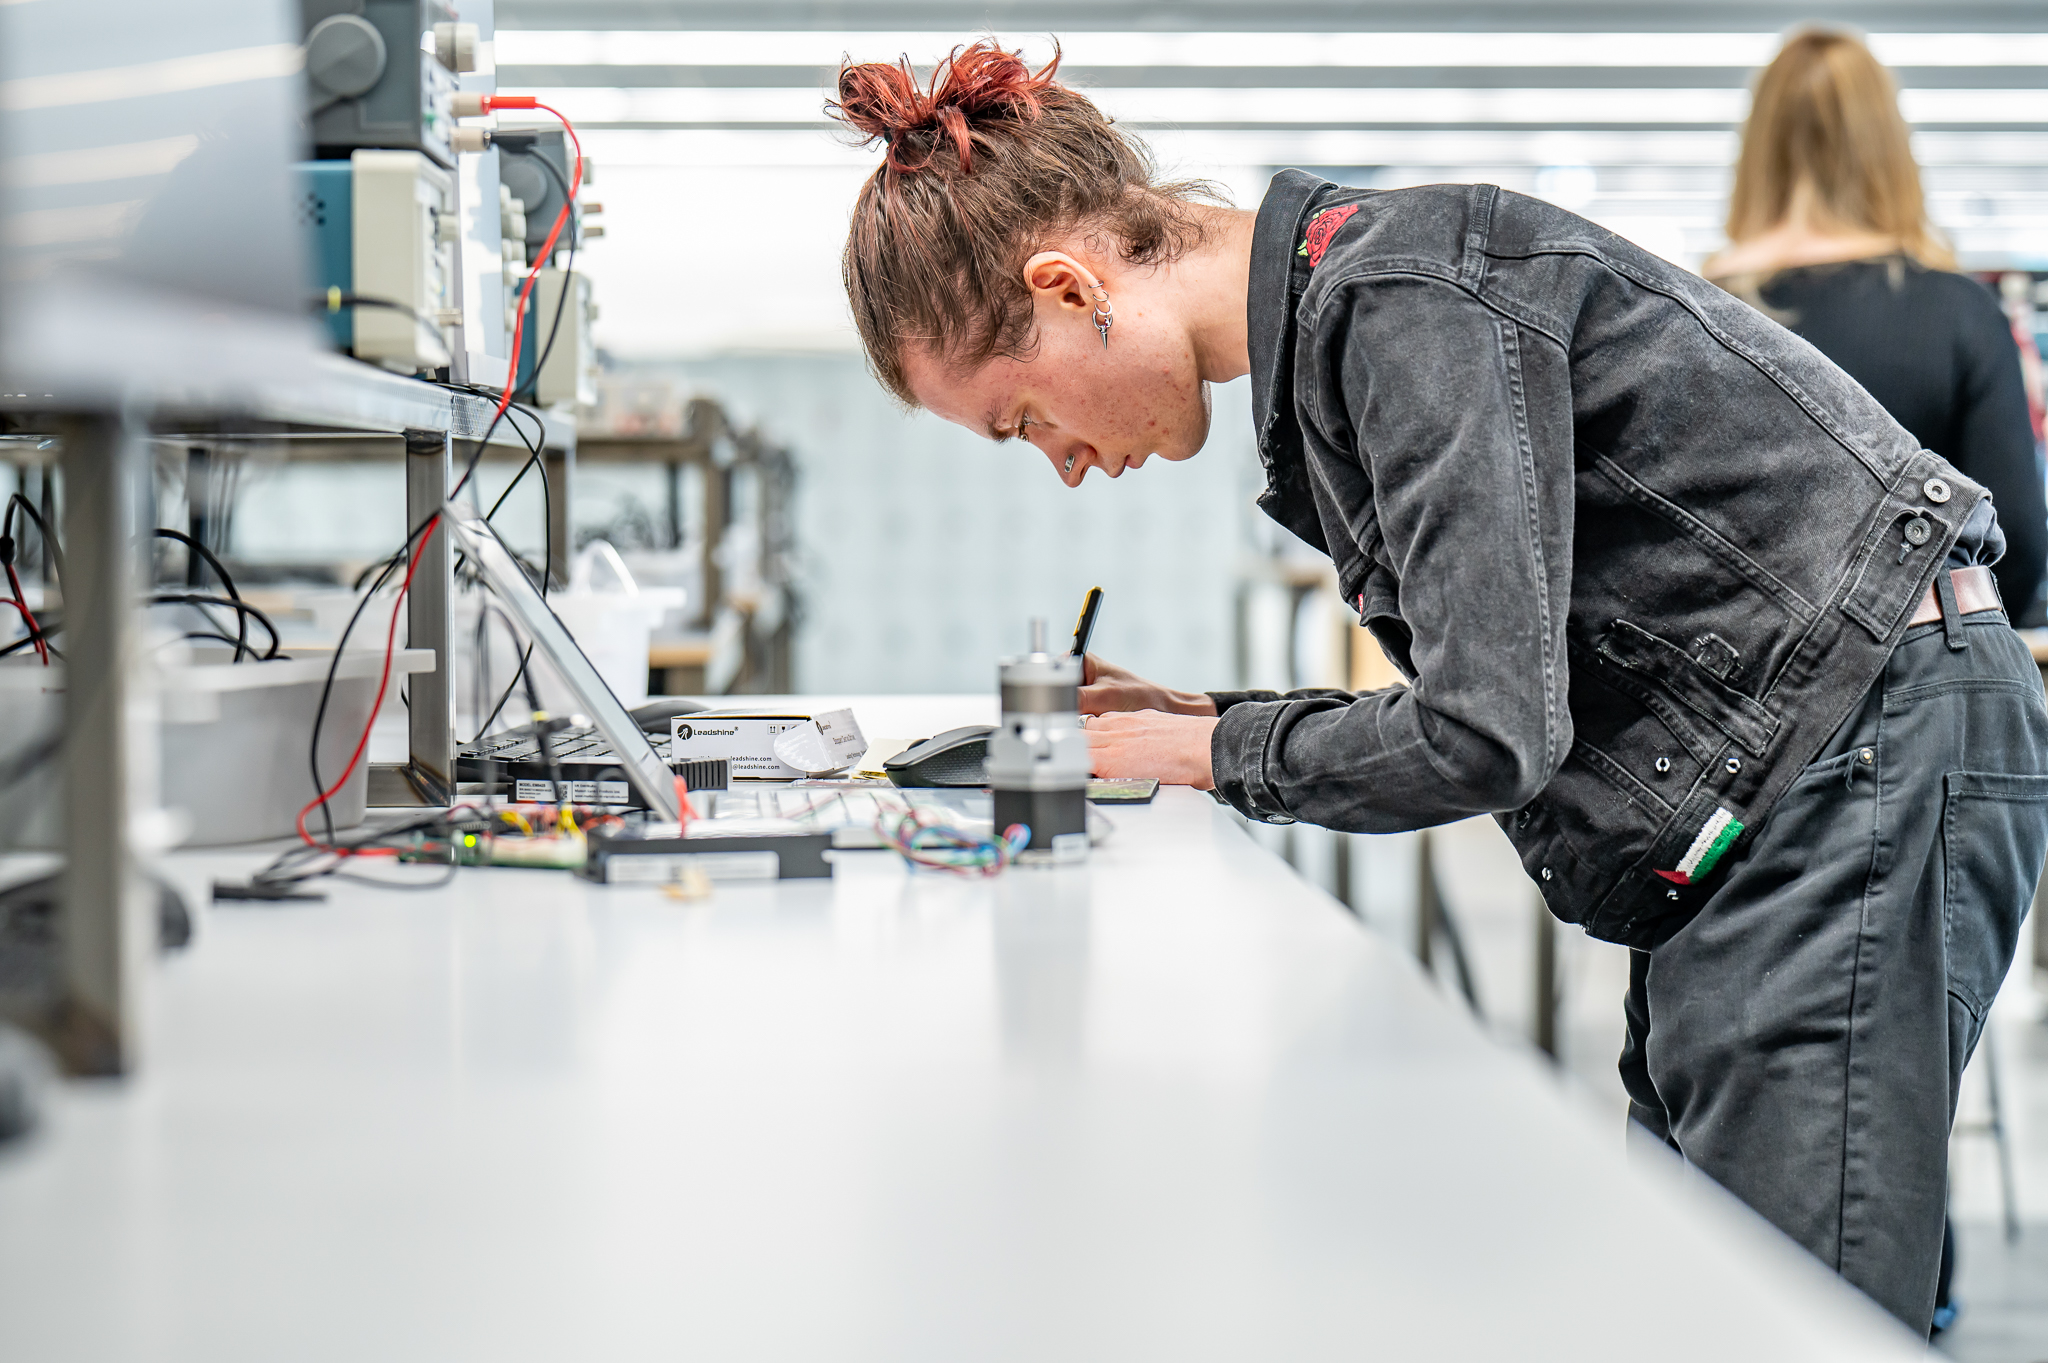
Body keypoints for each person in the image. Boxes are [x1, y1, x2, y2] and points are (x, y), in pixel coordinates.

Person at [827, 42, 2048, 1335]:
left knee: (1791, 1317)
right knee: (1704, 1296)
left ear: (1071, 288)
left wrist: (1208, 756)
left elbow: (1486, 732)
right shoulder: (1349, 318)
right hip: (1777, 783)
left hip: (1859, 757)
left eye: (1024, 419)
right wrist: (1203, 724)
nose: (1063, 464)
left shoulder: (1403, 299)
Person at [1705, 29, 2044, 619]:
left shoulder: (1697, 311)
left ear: (1760, 148)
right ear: (1888, 148)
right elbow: (2013, 547)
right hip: (1916, 684)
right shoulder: (1959, 312)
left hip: (1730, 691)